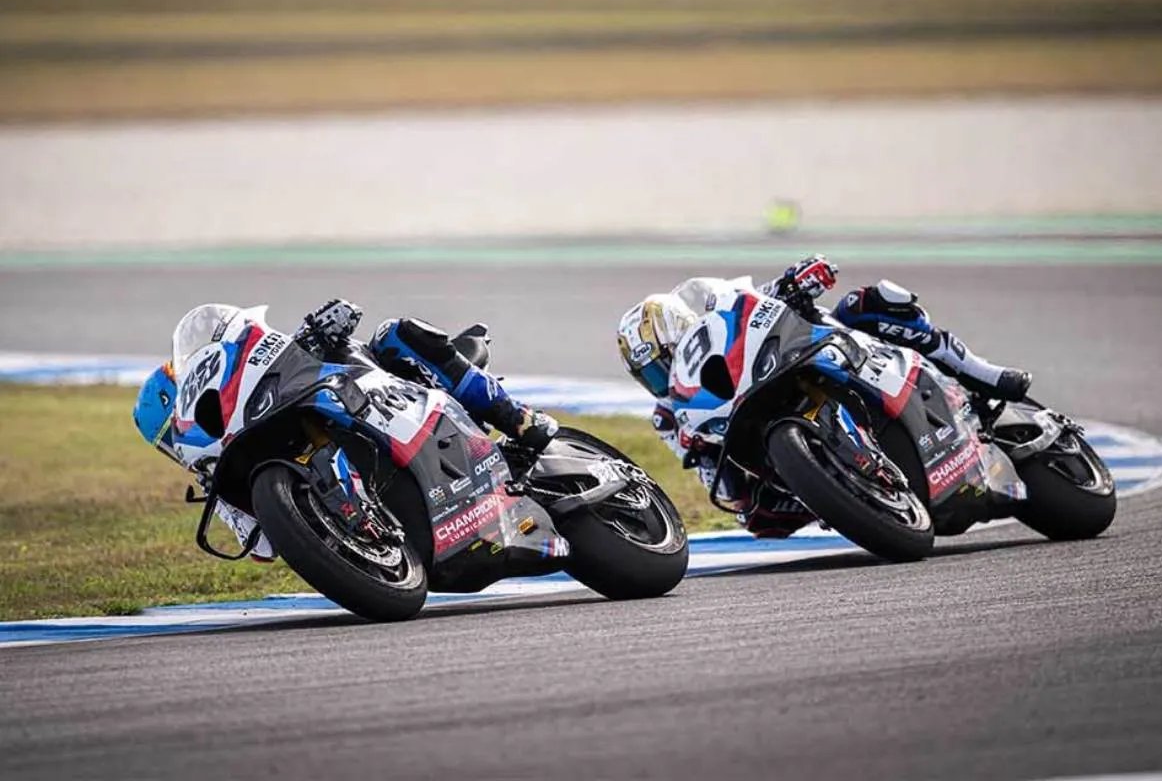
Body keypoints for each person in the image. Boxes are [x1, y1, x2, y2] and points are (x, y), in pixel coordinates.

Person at [616, 255, 1031, 539]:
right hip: (761, 442)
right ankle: (848, 488)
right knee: (754, 515)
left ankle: (982, 373)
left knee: (869, 304)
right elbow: (711, 479)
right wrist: (713, 464)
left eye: (664, 358)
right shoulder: (669, 416)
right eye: (650, 372)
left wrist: (799, 277)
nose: (663, 373)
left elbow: (764, 297)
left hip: (823, 354)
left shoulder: (722, 315)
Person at [132, 299, 558, 561]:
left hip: (374, 387)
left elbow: (307, 342)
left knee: (394, 334)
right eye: (168, 443)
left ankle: (516, 418)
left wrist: (319, 329)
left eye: (174, 431)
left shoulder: (246, 376)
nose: (178, 444)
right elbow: (264, 551)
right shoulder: (221, 483)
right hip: (394, 531)